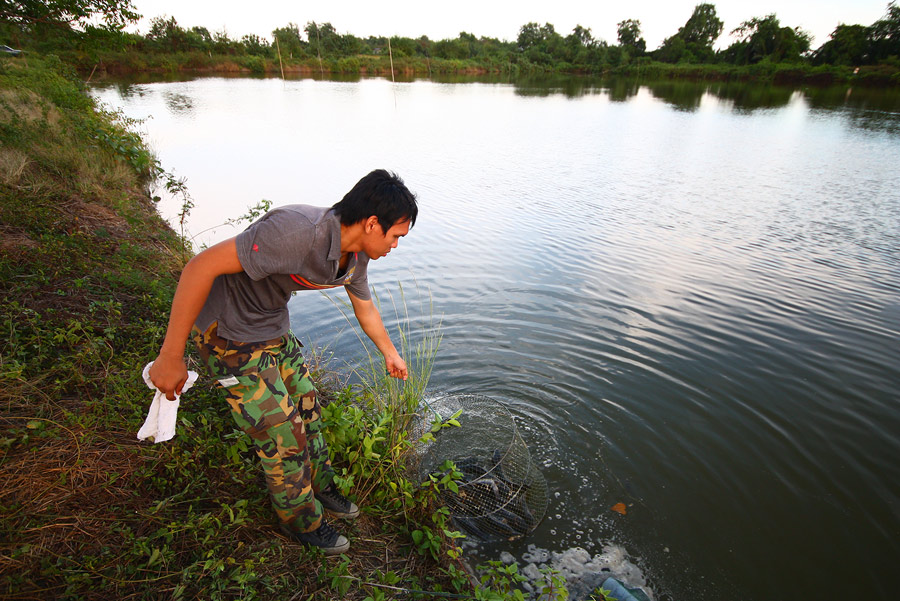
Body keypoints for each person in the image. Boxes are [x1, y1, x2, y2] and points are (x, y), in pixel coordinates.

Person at [148, 169, 418, 554]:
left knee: (308, 407)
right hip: (229, 333)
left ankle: (320, 487)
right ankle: (302, 521)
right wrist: (170, 356)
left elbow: (366, 306)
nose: (396, 245)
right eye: (396, 236)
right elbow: (200, 267)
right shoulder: (296, 232)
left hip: (272, 326)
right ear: (373, 224)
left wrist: (391, 353)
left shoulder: (356, 256)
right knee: (283, 436)